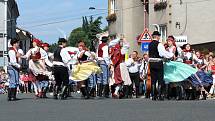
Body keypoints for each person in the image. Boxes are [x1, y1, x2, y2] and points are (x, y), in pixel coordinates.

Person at [148, 31, 174, 100]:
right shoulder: (159, 44)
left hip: (151, 63)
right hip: (158, 62)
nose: (159, 37)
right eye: (159, 36)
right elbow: (162, 53)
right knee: (160, 79)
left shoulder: (150, 44)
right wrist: (171, 55)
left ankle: (153, 96)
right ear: (157, 36)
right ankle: (159, 95)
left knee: (153, 80)